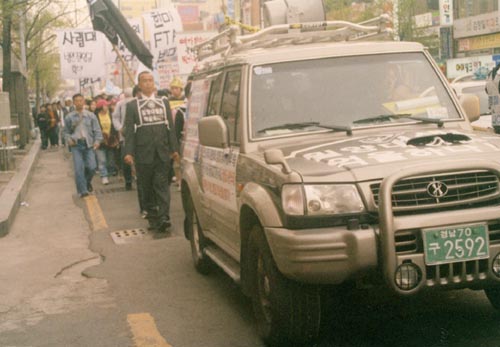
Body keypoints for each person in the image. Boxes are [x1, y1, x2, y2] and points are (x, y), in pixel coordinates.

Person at [124, 71, 179, 232]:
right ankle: (153, 216)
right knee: (146, 187)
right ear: (139, 85)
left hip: (162, 153)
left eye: (150, 80)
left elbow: (170, 127)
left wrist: (174, 149)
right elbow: (129, 132)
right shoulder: (132, 105)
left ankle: (164, 216)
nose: (148, 83)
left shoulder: (164, 102)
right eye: (144, 81)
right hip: (143, 154)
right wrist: (128, 152)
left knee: (162, 185)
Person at [64, 94, 103, 198]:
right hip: (76, 145)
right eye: (76, 101)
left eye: (81, 100)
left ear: (84, 102)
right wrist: (69, 140)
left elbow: (97, 130)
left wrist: (97, 141)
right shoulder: (69, 117)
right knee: (78, 169)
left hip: (89, 144)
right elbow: (66, 132)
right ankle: (83, 190)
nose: (79, 103)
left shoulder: (91, 116)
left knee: (92, 167)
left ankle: (86, 181)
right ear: (73, 102)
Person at [112, 86, 135, 190]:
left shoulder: (137, 102)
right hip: (125, 136)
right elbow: (115, 117)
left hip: (136, 134)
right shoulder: (120, 104)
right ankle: (128, 181)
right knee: (126, 158)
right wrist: (120, 128)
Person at [95, 99, 119, 185]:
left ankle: (108, 173)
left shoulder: (111, 115)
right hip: (100, 141)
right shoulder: (95, 116)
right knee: (102, 160)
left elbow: (114, 127)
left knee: (110, 160)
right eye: (105, 105)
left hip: (110, 140)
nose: (107, 107)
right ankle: (104, 176)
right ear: (101, 107)